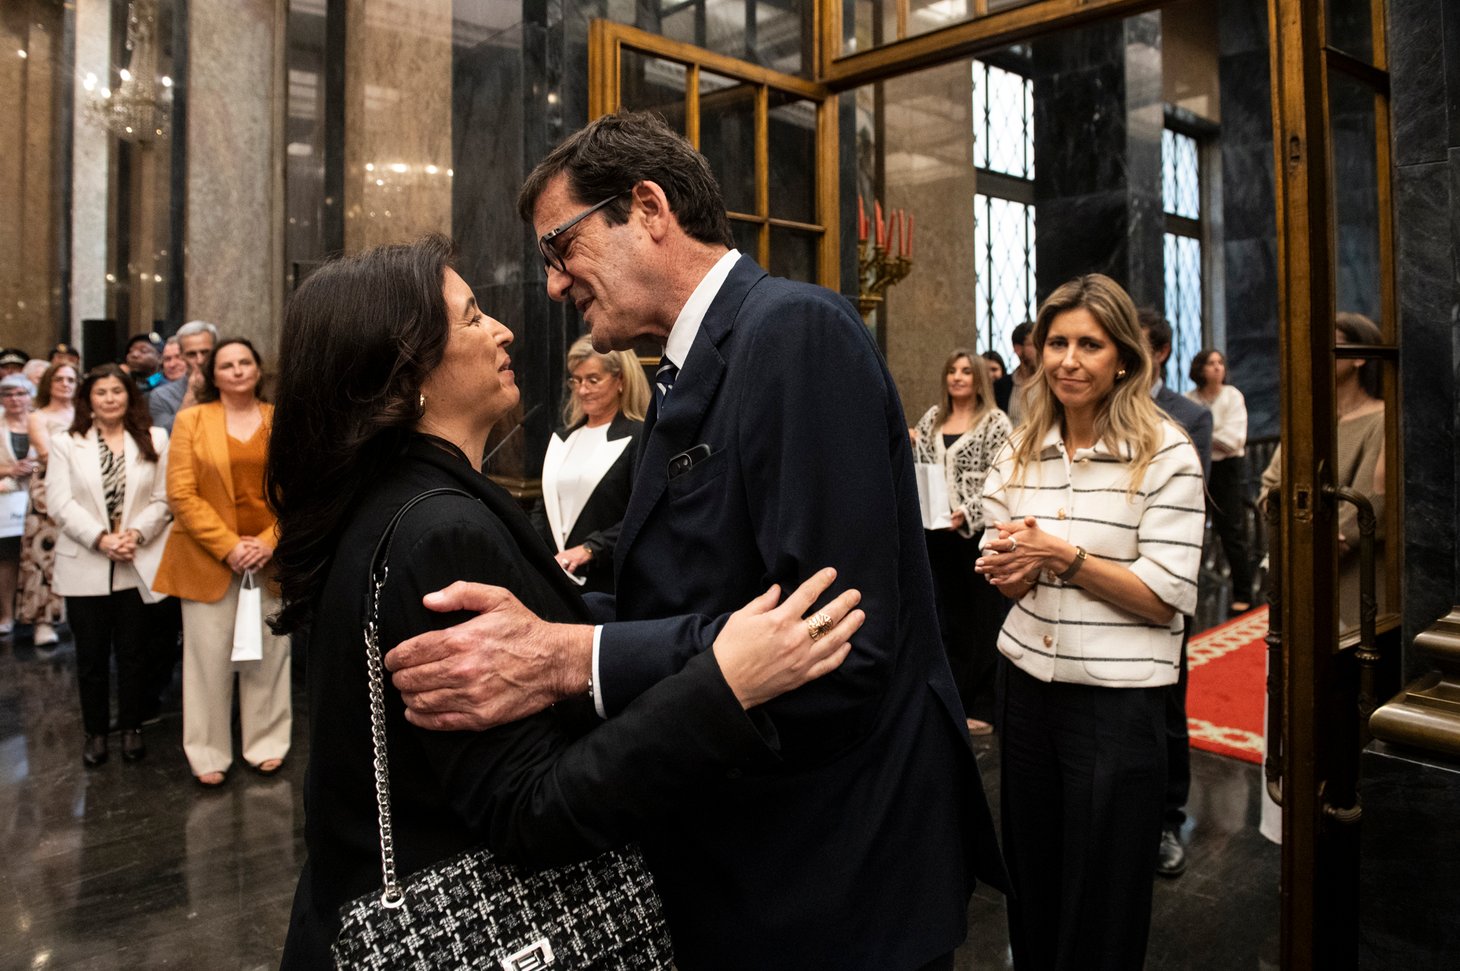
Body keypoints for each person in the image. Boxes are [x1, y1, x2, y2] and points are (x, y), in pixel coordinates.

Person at [385, 111, 1005, 968]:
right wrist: (532, 626)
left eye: (561, 247)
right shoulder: (690, 370)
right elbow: (685, 596)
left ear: (648, 208)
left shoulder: (794, 332)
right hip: (754, 867)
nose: (554, 285)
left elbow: (835, 643)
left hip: (834, 882)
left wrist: (573, 656)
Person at [267, 236, 862, 967]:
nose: (504, 330)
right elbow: (532, 809)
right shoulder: (440, 534)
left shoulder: (393, 503)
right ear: (406, 369)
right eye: (473, 315)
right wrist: (722, 687)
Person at [975, 274, 1205, 970]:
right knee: (1032, 874)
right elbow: (999, 556)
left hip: (1116, 702)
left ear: (1125, 358)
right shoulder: (1020, 446)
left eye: (1090, 345)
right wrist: (1010, 567)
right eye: (1057, 343)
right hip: (1026, 690)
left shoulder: (1166, 453)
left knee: (1103, 891)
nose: (1069, 360)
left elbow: (1164, 596)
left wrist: (1062, 558)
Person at [153, 338, 291, 786]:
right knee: (207, 661)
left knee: (269, 655)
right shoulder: (191, 420)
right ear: (213, 374)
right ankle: (207, 752)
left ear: (258, 369)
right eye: (227, 364)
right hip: (207, 558)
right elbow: (181, 493)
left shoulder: (280, 420)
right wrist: (229, 546)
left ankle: (267, 743)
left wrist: (268, 542)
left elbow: (299, 491)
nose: (236, 370)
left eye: (244, 362)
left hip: (269, 560)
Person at [46, 365, 171, 766]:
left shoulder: (154, 437)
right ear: (88, 400)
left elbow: (164, 498)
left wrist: (135, 534)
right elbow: (59, 502)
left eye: (117, 391)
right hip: (86, 561)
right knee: (92, 657)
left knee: (134, 654)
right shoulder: (66, 442)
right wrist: (101, 538)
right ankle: (96, 732)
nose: (110, 399)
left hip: (136, 559)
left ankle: (132, 727)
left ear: (129, 395)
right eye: (101, 392)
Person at [1136, 309, 1213, 882]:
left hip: (1161, 569)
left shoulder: (1189, 416)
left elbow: (1193, 498)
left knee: (1167, 703)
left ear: (1159, 351)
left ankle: (1167, 819)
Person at [1260, 311, 1387, 632]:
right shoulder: (1308, 417)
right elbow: (1271, 486)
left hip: (1353, 579)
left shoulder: (1381, 419)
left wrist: (1307, 545)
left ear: (1359, 357)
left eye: (1328, 342)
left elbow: (1366, 503)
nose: (1315, 351)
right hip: (1299, 572)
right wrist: (1293, 535)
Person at [911, 348, 1012, 735]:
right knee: (945, 618)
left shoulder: (994, 422)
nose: (957, 377)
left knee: (981, 619)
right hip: (936, 534)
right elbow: (922, 468)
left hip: (976, 534)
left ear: (979, 378)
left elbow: (999, 475)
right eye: (952, 370)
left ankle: (984, 705)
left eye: (966, 371)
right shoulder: (933, 418)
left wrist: (967, 511)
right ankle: (951, 696)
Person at [530, 335, 648, 595]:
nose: (583, 390)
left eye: (593, 380)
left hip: (608, 582)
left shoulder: (637, 436)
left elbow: (643, 514)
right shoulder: (563, 438)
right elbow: (543, 506)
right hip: (557, 580)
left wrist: (590, 548)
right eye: (577, 380)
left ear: (620, 380)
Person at [1187, 347, 1253, 613]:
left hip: (1227, 470)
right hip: (1197, 467)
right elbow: (1184, 436)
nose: (1217, 367)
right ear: (1200, 368)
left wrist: (1203, 435)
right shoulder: (1189, 399)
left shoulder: (1232, 396)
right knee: (1191, 528)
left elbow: (1234, 440)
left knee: (1231, 531)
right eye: (1210, 363)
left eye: (1220, 363)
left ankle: (1244, 593)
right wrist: (1211, 437)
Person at [18, 362, 79, 647]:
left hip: (84, 489)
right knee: (43, 554)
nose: (65, 384)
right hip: (48, 489)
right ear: (48, 384)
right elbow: (45, 453)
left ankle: (76, 618)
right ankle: (42, 619)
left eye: (71, 379)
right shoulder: (38, 416)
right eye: (59, 379)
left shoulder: (85, 414)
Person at [0, 374, 38, 636]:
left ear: (30, 396)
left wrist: (35, 468)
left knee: (38, 556)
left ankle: (39, 614)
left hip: (39, 497)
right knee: (7, 557)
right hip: (6, 500)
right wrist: (10, 470)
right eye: (8, 394)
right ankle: (6, 613)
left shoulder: (41, 422)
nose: (15, 399)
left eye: (20, 393)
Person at [149, 320, 218, 433]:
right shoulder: (162, 396)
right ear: (182, 355)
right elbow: (163, 436)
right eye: (191, 354)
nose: (200, 360)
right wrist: (191, 396)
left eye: (205, 352)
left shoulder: (234, 386)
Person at [1001, 321, 1037, 424]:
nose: (1040, 350)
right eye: (1034, 344)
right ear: (1018, 349)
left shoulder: (1051, 384)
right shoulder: (1002, 387)